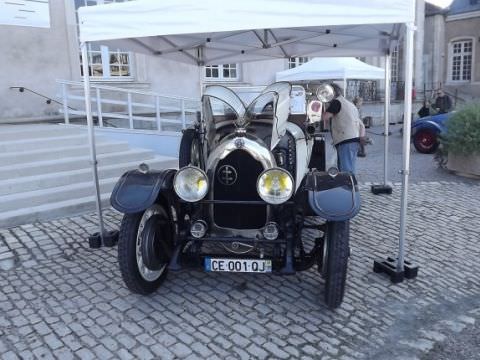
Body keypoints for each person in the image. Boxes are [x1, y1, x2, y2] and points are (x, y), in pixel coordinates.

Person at [322, 84, 365, 175]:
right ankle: (351, 187)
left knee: (346, 171)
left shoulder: (337, 102)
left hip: (346, 141)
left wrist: (320, 107)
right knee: (349, 169)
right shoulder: (349, 104)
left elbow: (325, 117)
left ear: (332, 92)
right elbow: (361, 125)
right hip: (353, 140)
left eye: (326, 92)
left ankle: (349, 188)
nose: (325, 95)